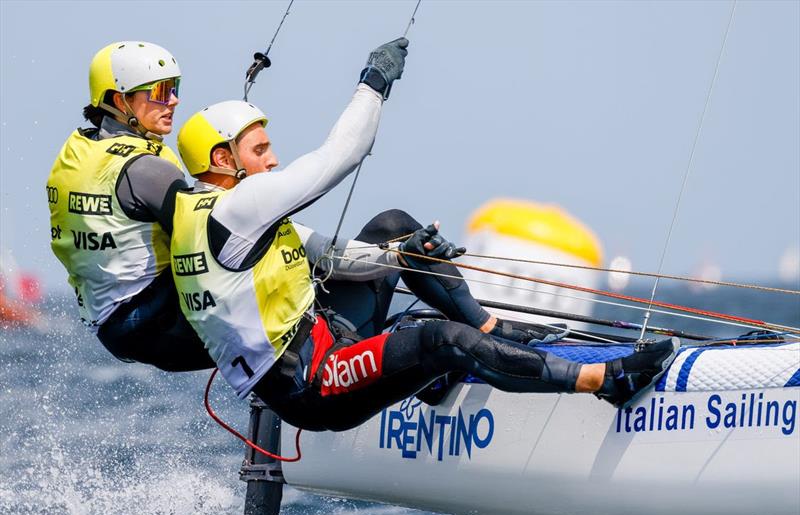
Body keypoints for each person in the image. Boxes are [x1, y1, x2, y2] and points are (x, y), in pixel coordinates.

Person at [171, 37, 679, 432]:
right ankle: (607, 381)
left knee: (392, 225)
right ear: (223, 160)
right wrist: (372, 83)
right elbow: (341, 156)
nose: (274, 159)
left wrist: (401, 254)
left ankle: (482, 333)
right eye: (261, 150)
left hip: (327, 337)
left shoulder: (224, 212)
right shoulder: (237, 209)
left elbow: (342, 261)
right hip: (312, 385)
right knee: (439, 338)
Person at [47, 41, 214, 371]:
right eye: (161, 91)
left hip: (111, 326)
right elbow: (216, 236)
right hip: (154, 320)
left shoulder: (78, 149)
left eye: (175, 88)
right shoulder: (145, 168)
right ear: (120, 100)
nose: (174, 100)